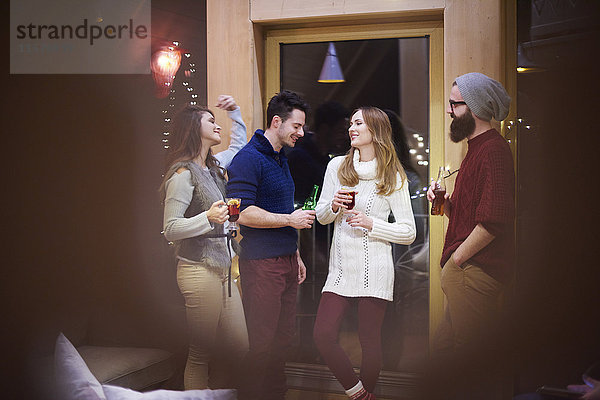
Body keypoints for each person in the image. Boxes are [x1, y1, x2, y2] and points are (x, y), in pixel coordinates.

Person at [313, 106, 416, 400]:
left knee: (370, 341)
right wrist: (333, 205)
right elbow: (321, 216)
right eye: (351, 123)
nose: (351, 128)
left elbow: (409, 232)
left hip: (377, 267)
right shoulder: (337, 167)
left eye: (359, 123)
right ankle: (359, 394)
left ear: (375, 131)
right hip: (342, 267)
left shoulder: (393, 175)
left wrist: (373, 224)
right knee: (323, 335)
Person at [425, 72, 514, 398]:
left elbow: (495, 221)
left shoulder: (493, 150)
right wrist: (445, 202)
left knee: (468, 363)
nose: (449, 110)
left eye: (454, 103)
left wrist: (457, 260)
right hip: (467, 270)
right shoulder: (475, 148)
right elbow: (468, 217)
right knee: (447, 356)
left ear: (474, 106)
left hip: (473, 271)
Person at [226, 90, 315, 400]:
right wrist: (290, 221)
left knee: (282, 342)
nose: (301, 133)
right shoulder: (248, 159)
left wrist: (296, 254)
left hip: (287, 261)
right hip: (261, 264)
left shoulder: (279, 158)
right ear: (277, 122)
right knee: (261, 344)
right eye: (297, 126)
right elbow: (242, 213)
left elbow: (281, 208)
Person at [160, 95, 248, 390]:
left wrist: (235, 113)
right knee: (201, 354)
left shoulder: (213, 168)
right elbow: (170, 229)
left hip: (225, 271)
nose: (217, 125)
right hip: (198, 270)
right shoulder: (183, 174)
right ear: (193, 128)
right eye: (211, 120)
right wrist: (208, 218)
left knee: (240, 348)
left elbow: (238, 146)